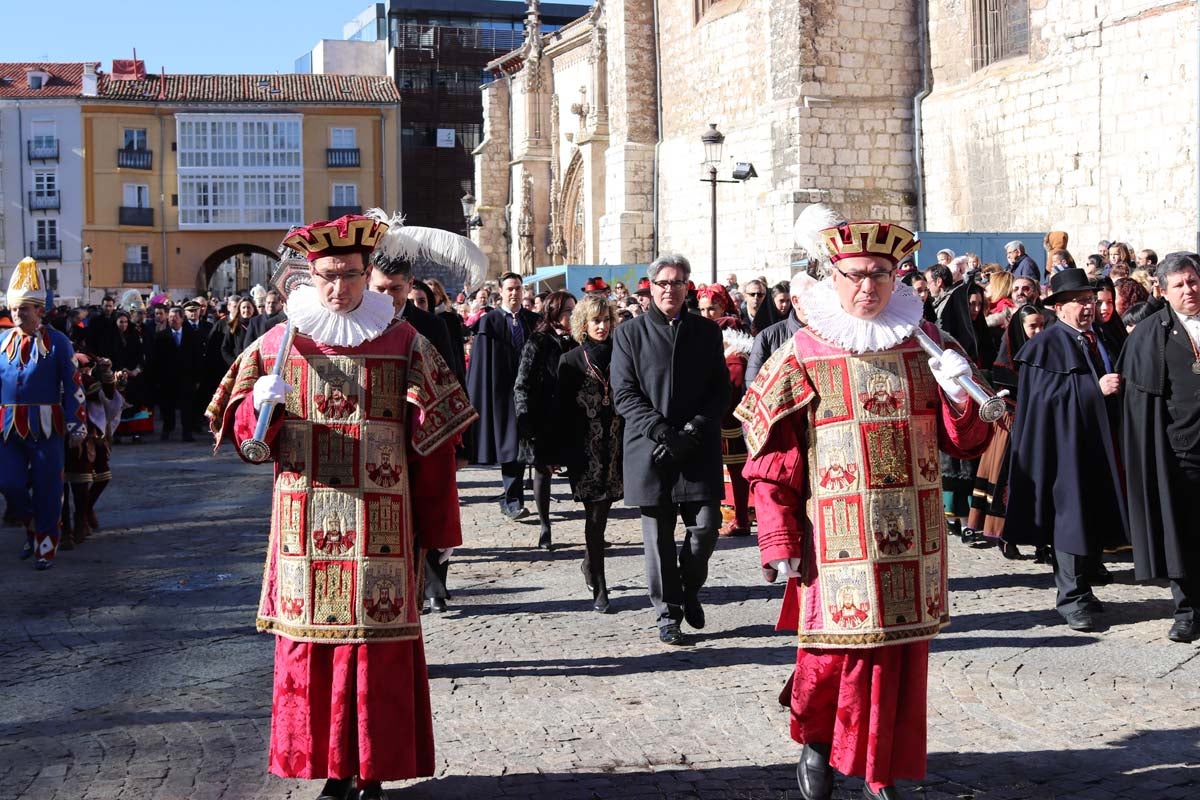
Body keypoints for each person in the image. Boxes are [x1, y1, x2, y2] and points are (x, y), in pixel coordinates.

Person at [207, 213, 476, 800]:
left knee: (374, 653)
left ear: (366, 273)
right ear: (311, 275)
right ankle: (330, 769)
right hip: (304, 527)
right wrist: (260, 405)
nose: (339, 288)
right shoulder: (281, 345)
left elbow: (436, 443)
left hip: (382, 528)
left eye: (351, 276)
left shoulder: (404, 342)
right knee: (314, 648)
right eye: (328, 276)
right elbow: (250, 443)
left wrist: (435, 526)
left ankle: (373, 769)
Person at [736, 219, 991, 800]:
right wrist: (779, 540)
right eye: (855, 276)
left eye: (880, 275)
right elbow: (774, 455)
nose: (867, 288)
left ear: (896, 276)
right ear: (833, 276)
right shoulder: (805, 349)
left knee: (900, 660)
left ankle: (882, 766)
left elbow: (966, 443)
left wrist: (959, 395)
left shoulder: (928, 343)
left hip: (913, 535)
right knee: (831, 657)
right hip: (837, 538)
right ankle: (819, 743)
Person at [612, 254, 730, 646]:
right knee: (658, 540)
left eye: (677, 283)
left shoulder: (707, 332)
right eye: (662, 283)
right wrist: (662, 432)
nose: (670, 289)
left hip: (697, 448)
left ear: (687, 288)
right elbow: (624, 394)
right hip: (651, 450)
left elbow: (720, 389)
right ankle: (668, 612)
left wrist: (695, 427)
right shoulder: (629, 334)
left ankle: (689, 587)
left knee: (707, 528)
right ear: (650, 288)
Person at [1006, 268, 1128, 632]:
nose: (1087, 308)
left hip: (1098, 444)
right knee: (1069, 520)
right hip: (1063, 450)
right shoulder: (1045, 346)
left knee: (1091, 516)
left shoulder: (1099, 337)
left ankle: (1085, 589)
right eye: (1078, 302)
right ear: (1058, 308)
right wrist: (1095, 389)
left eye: (1090, 301)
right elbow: (1043, 400)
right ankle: (1071, 598)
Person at [1118, 252, 1200, 642]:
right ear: (1163, 291)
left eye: (1194, 281)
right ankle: (1187, 609)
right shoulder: (1150, 335)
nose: (1190, 290)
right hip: (1178, 451)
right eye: (1180, 285)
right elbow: (1138, 405)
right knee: (1181, 532)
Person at [0, 257, 86, 570]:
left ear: (39, 311)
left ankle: (45, 547)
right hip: (7, 426)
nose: (16, 313)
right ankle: (32, 526)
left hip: (48, 426)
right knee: (9, 483)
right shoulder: (1, 342)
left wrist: (77, 425)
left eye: (23, 308)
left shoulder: (59, 342)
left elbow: (73, 385)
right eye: (13, 308)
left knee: (49, 487)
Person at [556, 294, 623, 613]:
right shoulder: (570, 360)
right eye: (596, 320)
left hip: (616, 447)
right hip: (585, 451)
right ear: (584, 323)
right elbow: (562, 411)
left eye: (606, 319)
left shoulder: (622, 354)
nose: (602, 326)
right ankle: (600, 583)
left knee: (603, 514)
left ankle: (588, 563)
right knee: (594, 516)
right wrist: (558, 453)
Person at [967, 304, 1046, 558]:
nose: (1038, 331)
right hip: (1011, 429)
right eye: (1032, 326)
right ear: (1019, 329)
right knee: (1007, 482)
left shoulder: (1047, 354)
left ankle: (1042, 540)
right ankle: (1004, 534)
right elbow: (1005, 395)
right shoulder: (1005, 363)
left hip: (1040, 429)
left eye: (1041, 325)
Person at [466, 272, 540, 520]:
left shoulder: (533, 320)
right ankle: (512, 499)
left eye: (518, 288)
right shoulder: (491, 322)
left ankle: (524, 498)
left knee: (529, 445)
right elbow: (481, 363)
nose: (514, 293)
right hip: (503, 393)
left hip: (530, 393)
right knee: (511, 447)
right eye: (510, 288)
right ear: (501, 291)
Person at [513, 290, 578, 549]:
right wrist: (525, 421)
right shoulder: (537, 342)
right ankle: (544, 525)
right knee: (542, 472)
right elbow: (522, 385)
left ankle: (593, 527)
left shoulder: (577, 341)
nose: (573, 316)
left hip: (572, 417)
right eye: (568, 311)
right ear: (554, 313)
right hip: (543, 417)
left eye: (575, 310)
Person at [697, 284, 753, 537]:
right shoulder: (709, 336)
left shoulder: (733, 343)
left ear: (724, 307)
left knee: (737, 470)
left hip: (730, 416)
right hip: (716, 414)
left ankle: (741, 517)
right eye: (702, 309)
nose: (707, 314)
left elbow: (735, 379)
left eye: (713, 308)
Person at [746, 273, 816, 384]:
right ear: (796, 301)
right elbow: (753, 383)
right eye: (812, 298)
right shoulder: (766, 336)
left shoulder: (829, 334)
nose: (819, 303)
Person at [151, 306, 203, 442]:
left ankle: (187, 432)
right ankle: (167, 429)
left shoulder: (191, 335)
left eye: (175, 317)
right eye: (170, 318)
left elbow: (197, 357)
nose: (172, 320)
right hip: (167, 378)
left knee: (187, 406)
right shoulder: (161, 336)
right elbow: (156, 359)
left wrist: (197, 377)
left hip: (187, 377)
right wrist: (156, 378)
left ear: (182, 319)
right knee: (167, 406)